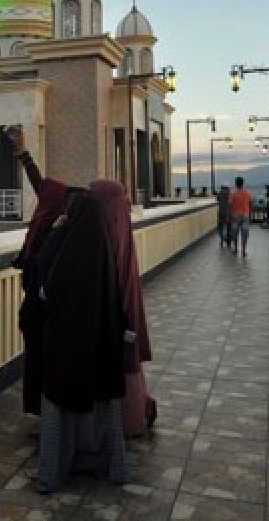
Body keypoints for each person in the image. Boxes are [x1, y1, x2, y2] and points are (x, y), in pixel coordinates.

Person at [34, 190, 129, 493]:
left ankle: (56, 469)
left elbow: (45, 284)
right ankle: (101, 462)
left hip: (65, 344)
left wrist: (56, 231)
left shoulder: (65, 246)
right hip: (100, 345)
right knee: (100, 404)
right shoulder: (103, 248)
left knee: (60, 404)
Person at [6, 125, 69, 418]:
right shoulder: (54, 219)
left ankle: (41, 411)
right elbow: (39, 182)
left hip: (42, 308)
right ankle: (43, 409)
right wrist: (23, 152)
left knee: (39, 359)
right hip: (41, 307)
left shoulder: (49, 230)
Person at [89, 178, 157, 437]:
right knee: (125, 359)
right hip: (122, 307)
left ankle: (125, 420)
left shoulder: (110, 229)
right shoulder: (119, 221)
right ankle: (135, 413)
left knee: (117, 360)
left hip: (115, 310)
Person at [229, 176, 253, 257]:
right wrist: (250, 215)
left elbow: (230, 205)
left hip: (235, 216)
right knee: (245, 233)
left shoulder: (233, 194)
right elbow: (250, 204)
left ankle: (236, 249)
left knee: (235, 233)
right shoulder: (247, 193)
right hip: (245, 215)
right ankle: (243, 250)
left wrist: (230, 216)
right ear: (243, 183)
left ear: (236, 184)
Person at [216, 185, 232, 249]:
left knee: (220, 227)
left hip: (221, 213)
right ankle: (228, 241)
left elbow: (217, 199)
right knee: (228, 227)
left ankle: (222, 239)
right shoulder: (229, 195)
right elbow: (230, 204)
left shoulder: (219, 194)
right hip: (228, 213)